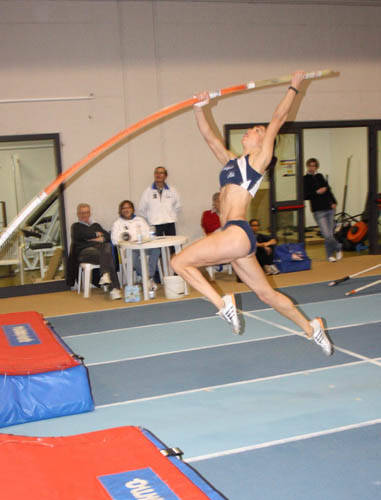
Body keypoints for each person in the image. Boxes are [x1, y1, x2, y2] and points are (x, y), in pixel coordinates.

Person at [171, 70, 333, 356]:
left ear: (262, 143)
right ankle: (312, 328)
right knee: (265, 294)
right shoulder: (232, 163)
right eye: (252, 130)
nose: (251, 131)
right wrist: (199, 107)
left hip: (235, 231)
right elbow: (210, 138)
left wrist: (294, 87)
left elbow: (278, 119)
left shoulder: (258, 161)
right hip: (236, 239)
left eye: (256, 131)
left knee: (179, 262)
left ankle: (223, 305)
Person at [69, 203, 121, 300]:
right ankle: (114, 289)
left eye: (87, 212)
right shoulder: (75, 226)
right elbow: (82, 235)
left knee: (107, 247)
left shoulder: (96, 225)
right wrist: (97, 236)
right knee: (107, 254)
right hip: (84, 253)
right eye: (82, 213)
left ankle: (105, 274)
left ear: (90, 213)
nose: (85, 215)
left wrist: (92, 239)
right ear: (78, 214)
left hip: (99, 252)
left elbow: (107, 236)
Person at [111, 200, 160, 292]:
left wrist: (142, 239)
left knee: (156, 250)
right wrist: (126, 239)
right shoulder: (117, 223)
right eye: (124, 208)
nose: (126, 210)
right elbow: (114, 240)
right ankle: (148, 278)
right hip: (129, 250)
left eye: (128, 207)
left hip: (144, 247)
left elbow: (149, 234)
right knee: (132, 257)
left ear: (132, 209)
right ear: (120, 211)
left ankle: (147, 276)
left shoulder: (140, 220)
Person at [303, 158, 342, 262]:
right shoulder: (304, 179)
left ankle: (329, 255)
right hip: (318, 210)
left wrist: (334, 202)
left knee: (329, 234)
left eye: (314, 166)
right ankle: (338, 247)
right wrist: (317, 192)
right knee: (327, 234)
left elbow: (328, 190)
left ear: (316, 167)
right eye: (310, 165)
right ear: (307, 166)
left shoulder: (320, 176)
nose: (312, 168)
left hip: (329, 207)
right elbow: (304, 195)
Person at [138, 166, 181, 238]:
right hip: (155, 224)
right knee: (158, 247)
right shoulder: (148, 192)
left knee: (172, 247)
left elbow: (178, 206)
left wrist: (170, 215)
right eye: (156, 173)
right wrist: (151, 217)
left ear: (165, 176)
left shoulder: (172, 191)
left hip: (169, 223)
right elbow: (142, 208)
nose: (158, 175)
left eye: (161, 173)